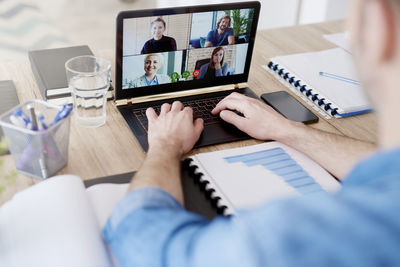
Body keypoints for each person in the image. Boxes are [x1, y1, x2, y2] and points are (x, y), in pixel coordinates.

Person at [103, 0, 400, 266]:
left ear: (379, 23)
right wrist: (286, 129)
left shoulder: (283, 239)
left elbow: (139, 234)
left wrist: (165, 144)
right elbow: (388, 167)